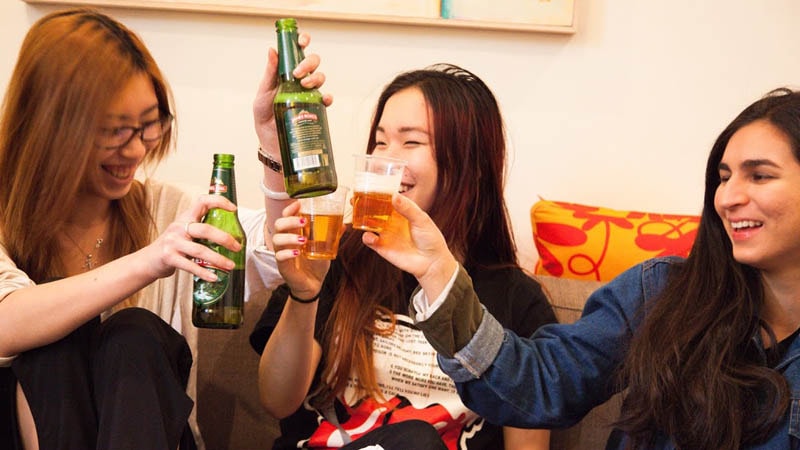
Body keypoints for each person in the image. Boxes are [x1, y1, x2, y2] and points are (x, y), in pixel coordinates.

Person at [303, 86, 800, 449]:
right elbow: (540, 385)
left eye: (760, 175)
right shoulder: (662, 292)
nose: (729, 198)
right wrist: (438, 275)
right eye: (723, 176)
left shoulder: (516, 293)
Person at [0, 9, 284, 449]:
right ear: (51, 127)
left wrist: (272, 139)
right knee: (54, 341)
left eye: (148, 125)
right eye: (114, 131)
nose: (135, 150)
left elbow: (280, 250)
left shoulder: (166, 209)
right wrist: (149, 262)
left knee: (135, 332)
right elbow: (7, 320)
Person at [251, 49, 557, 448]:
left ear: (468, 163)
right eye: (379, 142)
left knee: (416, 439)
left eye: (410, 141)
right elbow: (276, 401)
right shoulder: (337, 258)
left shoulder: (517, 301)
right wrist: (304, 295)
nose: (385, 160)